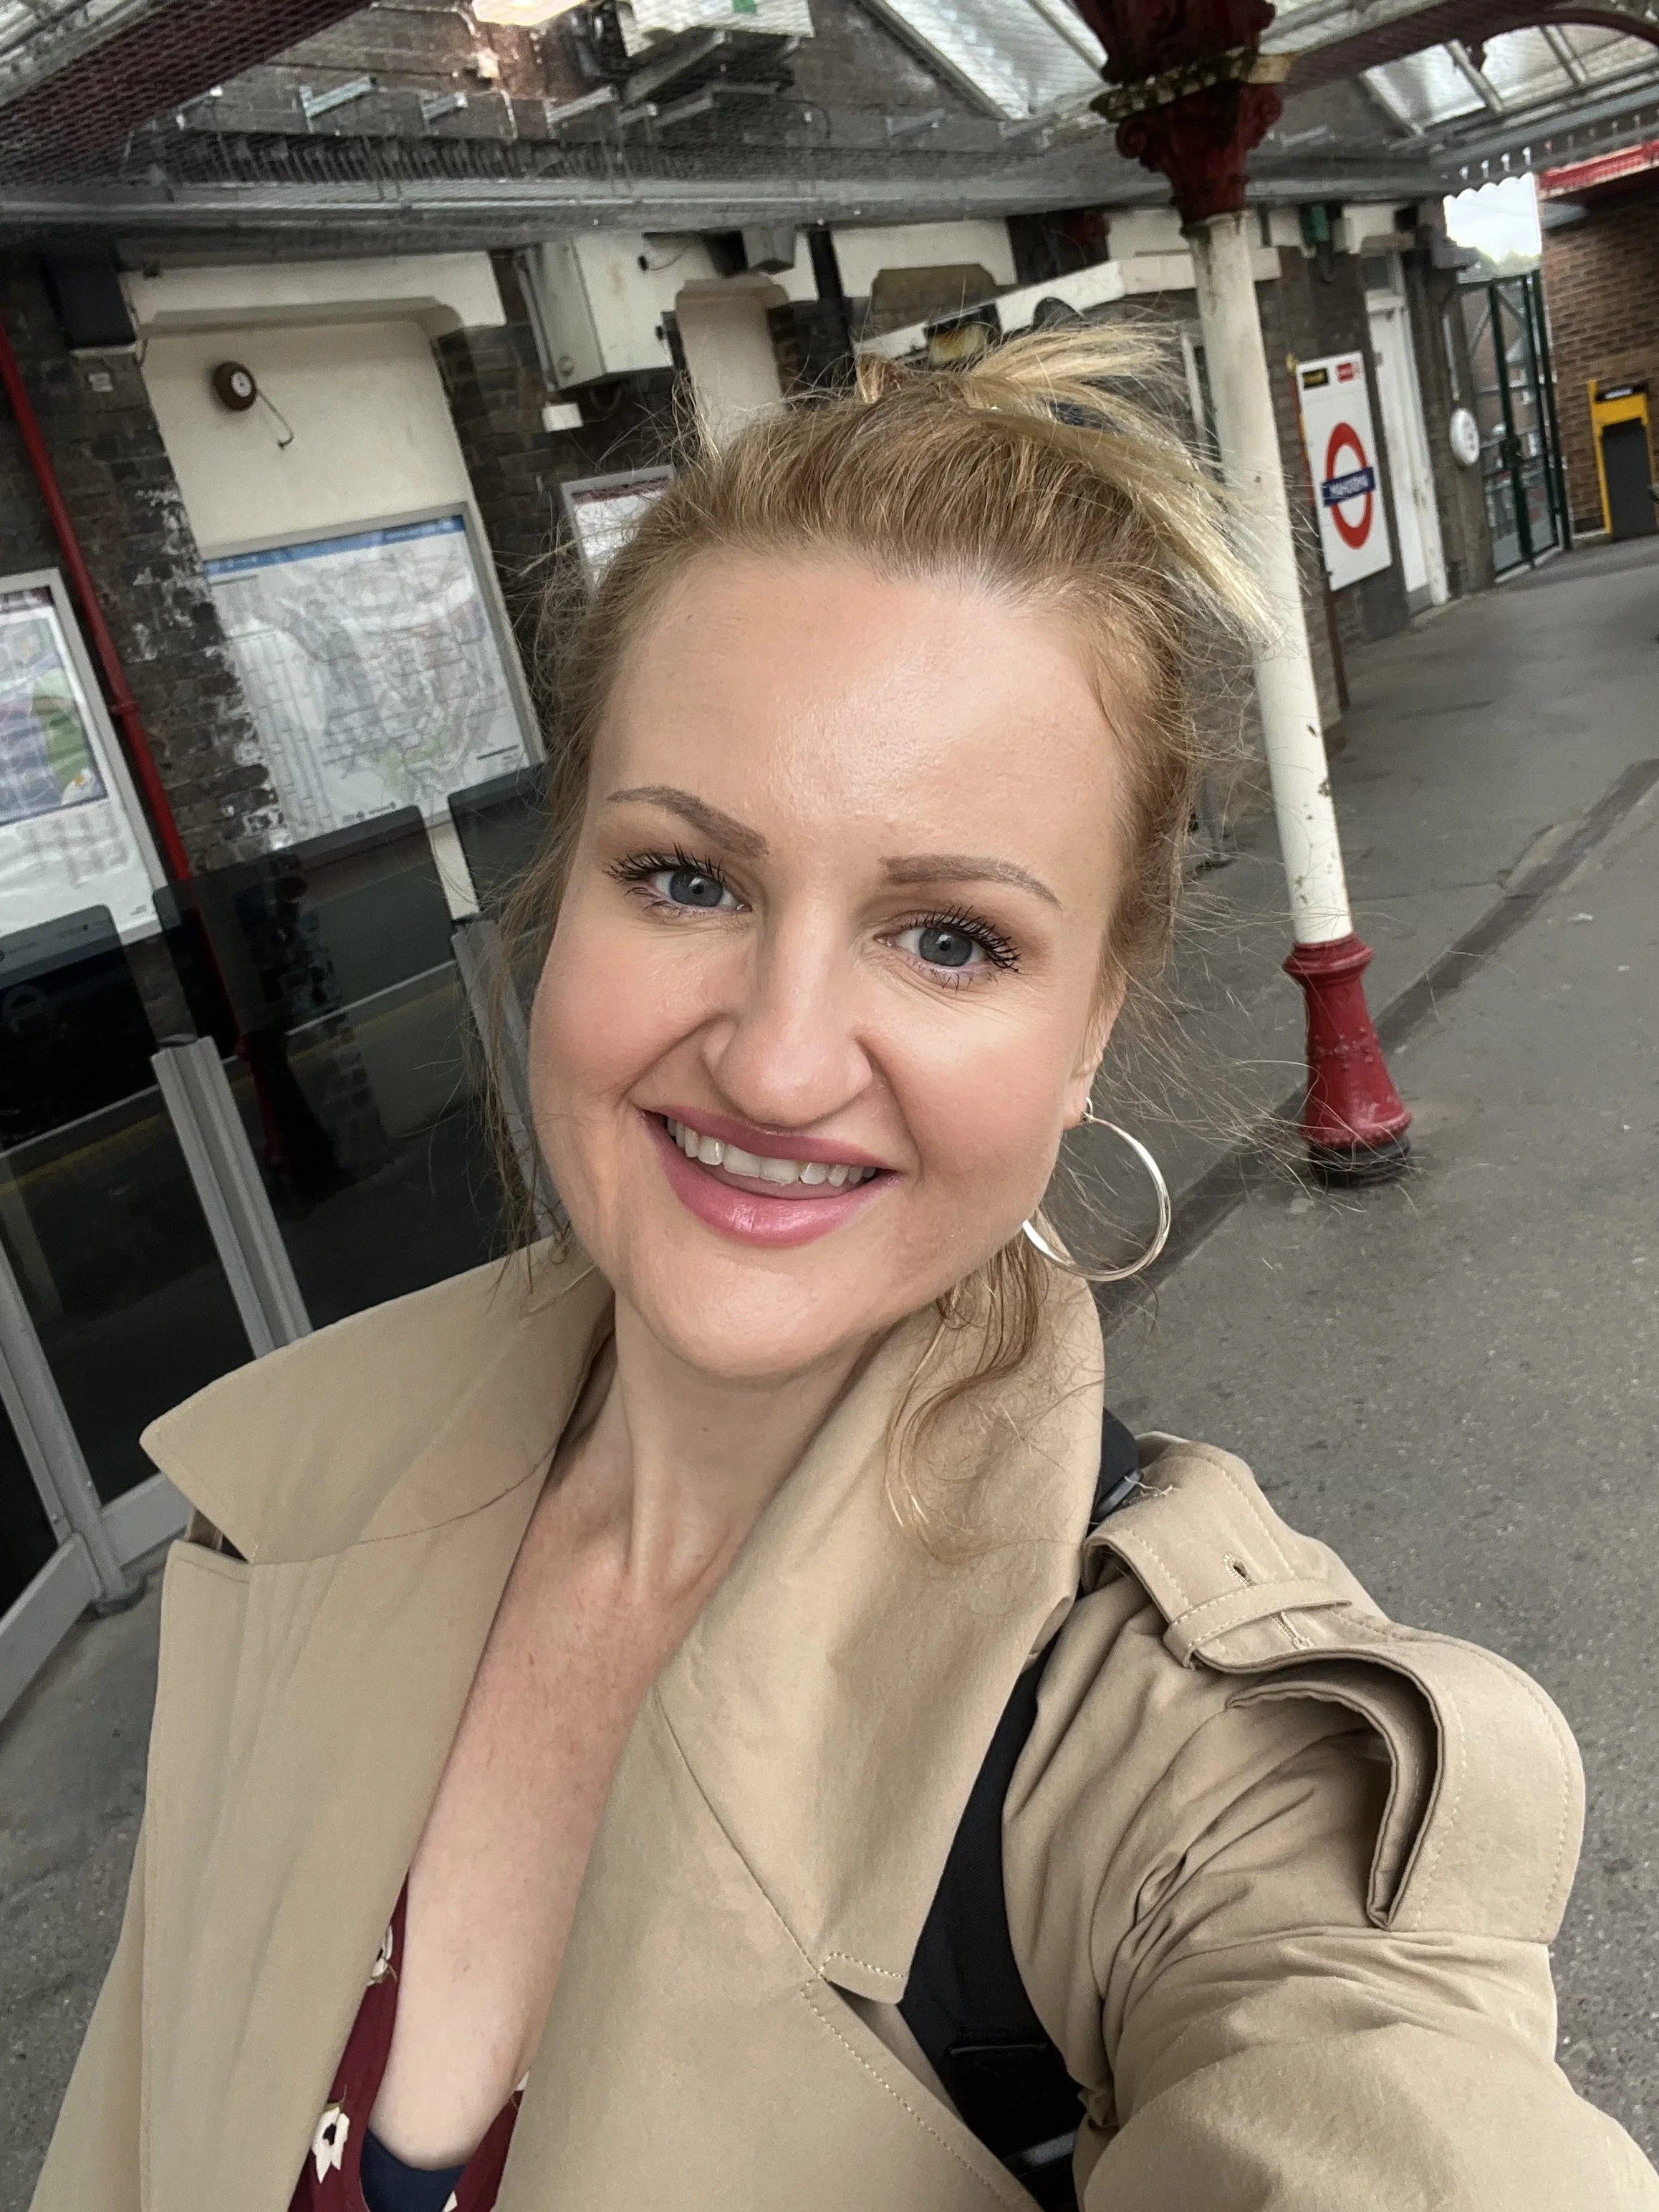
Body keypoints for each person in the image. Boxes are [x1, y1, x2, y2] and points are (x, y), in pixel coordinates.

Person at [32, 327, 1659, 2212]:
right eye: (689, 880)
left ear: (1088, 1028)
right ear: (560, 896)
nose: (782, 1059)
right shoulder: (295, 1499)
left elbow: (1380, 2096)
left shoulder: (1170, 1769)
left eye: (950, 937)